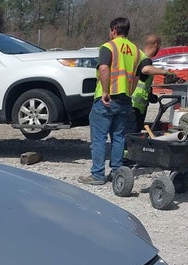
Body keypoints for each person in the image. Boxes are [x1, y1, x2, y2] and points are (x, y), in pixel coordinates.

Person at [79, 17, 144, 186]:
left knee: (99, 138)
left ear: (114, 30)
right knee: (118, 137)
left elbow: (103, 68)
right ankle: (117, 172)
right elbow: (143, 71)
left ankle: (98, 174)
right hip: (125, 100)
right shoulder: (136, 51)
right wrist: (130, 90)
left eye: (110, 31)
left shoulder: (108, 47)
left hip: (107, 99)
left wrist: (106, 91)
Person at [130, 35, 177, 134]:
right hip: (136, 105)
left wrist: (151, 96)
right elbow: (146, 70)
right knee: (132, 134)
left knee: (131, 133)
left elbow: (142, 81)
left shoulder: (137, 57)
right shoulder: (146, 60)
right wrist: (165, 72)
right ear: (156, 45)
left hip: (134, 103)